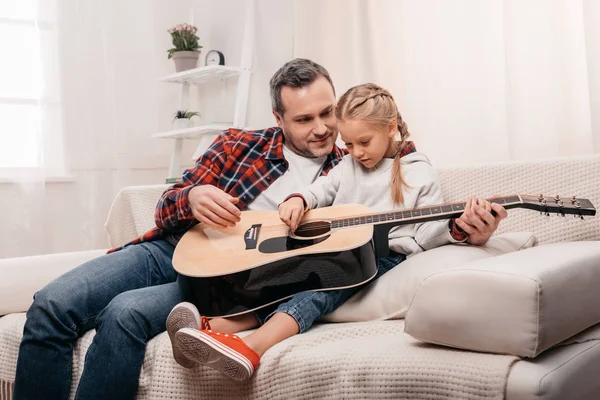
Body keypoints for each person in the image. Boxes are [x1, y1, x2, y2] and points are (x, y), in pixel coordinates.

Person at [13, 59, 504, 399]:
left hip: (230, 282)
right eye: (304, 118)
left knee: (123, 313)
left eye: (328, 113)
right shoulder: (238, 144)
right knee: (50, 307)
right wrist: (194, 196)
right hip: (171, 248)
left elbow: (401, 231)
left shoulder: (357, 163)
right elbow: (168, 204)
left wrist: (464, 232)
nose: (321, 129)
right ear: (278, 118)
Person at [167, 82, 509, 381]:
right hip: (339, 247)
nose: (356, 152)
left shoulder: (418, 172)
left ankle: (252, 347)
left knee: (319, 289)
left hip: (384, 257)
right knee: (290, 277)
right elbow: (323, 190)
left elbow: (427, 234)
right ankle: (211, 330)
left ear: (390, 128)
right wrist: (299, 198)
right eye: (349, 143)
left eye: (364, 142)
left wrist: (459, 229)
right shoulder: (349, 164)